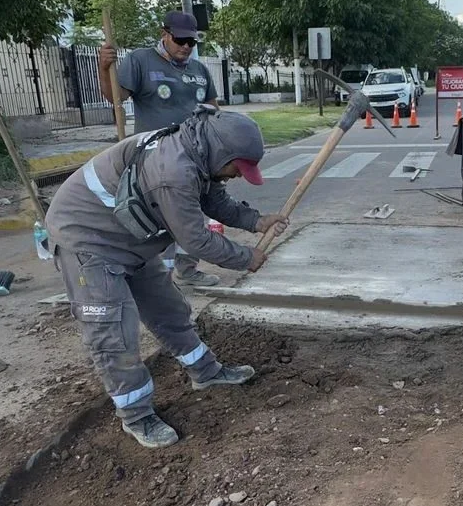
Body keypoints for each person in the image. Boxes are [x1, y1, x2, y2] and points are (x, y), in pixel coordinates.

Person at [45, 107, 289, 449]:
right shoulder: (173, 171)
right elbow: (196, 240)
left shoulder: (199, 153)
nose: (237, 175)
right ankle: (136, 415)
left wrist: (257, 221)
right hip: (88, 240)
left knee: (169, 309)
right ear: (222, 154)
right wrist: (246, 258)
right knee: (114, 333)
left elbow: (215, 200)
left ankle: (206, 373)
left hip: (129, 241)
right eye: (237, 168)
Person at [98, 10, 222, 287]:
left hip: (194, 158)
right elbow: (115, 97)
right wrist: (104, 69)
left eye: (191, 42)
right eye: (180, 40)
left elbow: (214, 110)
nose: (186, 47)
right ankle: (152, 277)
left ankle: (187, 270)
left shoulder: (199, 70)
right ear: (164, 34)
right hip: (154, 158)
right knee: (156, 216)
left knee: (191, 216)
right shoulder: (140, 60)